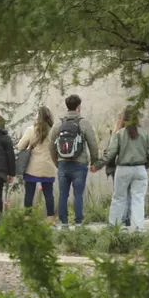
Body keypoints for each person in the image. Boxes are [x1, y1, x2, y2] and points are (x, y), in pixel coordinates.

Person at [98, 106, 149, 231]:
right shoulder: (144, 134)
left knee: (119, 198)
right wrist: (146, 165)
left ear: (124, 118)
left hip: (123, 169)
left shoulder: (119, 134)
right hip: (140, 169)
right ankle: (137, 228)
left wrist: (99, 164)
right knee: (138, 199)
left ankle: (114, 226)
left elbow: (111, 152)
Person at [49, 94, 99, 228]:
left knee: (63, 195)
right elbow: (93, 144)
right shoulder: (84, 123)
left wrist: (57, 163)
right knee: (78, 195)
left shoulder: (58, 124)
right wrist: (95, 162)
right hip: (80, 164)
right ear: (78, 107)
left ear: (67, 107)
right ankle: (78, 223)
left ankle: (64, 223)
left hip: (63, 164)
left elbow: (51, 146)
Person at [16, 106, 57, 223]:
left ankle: (27, 218)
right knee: (49, 193)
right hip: (48, 166)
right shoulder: (54, 130)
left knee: (29, 193)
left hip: (32, 167)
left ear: (38, 116)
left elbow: (20, 146)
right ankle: (50, 219)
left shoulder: (31, 130)